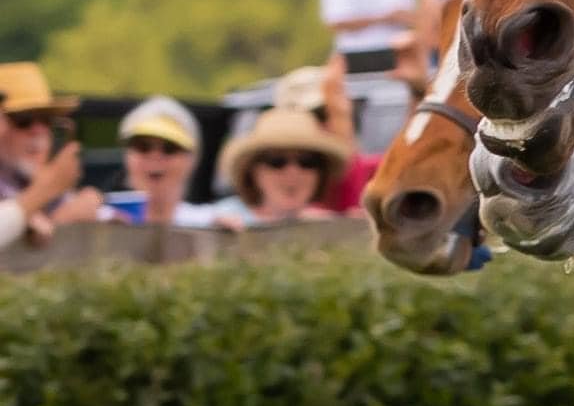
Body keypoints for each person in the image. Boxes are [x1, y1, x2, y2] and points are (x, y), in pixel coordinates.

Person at [0, 62, 103, 245]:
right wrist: (60, 220)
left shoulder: (45, 188)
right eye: (23, 120)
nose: (38, 131)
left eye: (46, 120)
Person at [107, 96, 237, 228]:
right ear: (127, 156)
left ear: (191, 159)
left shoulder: (209, 221)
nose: (155, 156)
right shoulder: (100, 218)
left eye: (170, 148)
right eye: (143, 147)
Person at [272, 61, 383, 215]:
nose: (292, 170)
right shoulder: (267, 174)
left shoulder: (374, 171)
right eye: (315, 115)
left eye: (328, 113)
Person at [213, 106, 350, 227]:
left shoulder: (328, 226)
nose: (293, 172)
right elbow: (195, 219)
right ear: (252, 170)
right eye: (276, 161)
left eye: (307, 162)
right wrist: (215, 229)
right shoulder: (223, 215)